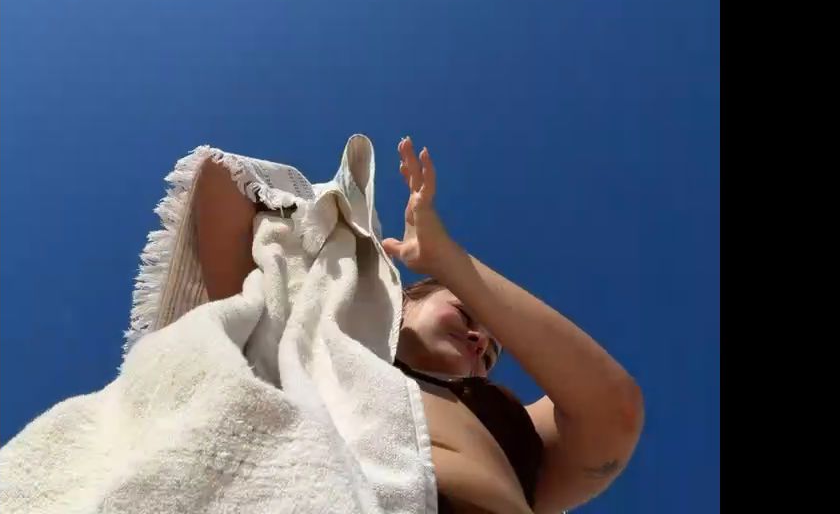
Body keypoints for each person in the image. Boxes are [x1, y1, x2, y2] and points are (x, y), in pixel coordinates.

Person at [193, 136, 644, 514]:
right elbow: (218, 181)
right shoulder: (308, 344)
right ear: (403, 300)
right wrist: (339, 238)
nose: (480, 342)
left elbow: (613, 414)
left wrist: (449, 261)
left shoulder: (507, 424)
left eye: (490, 356)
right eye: (465, 314)